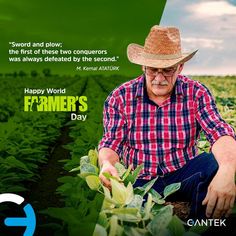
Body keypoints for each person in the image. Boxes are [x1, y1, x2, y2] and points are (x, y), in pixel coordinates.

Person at [98, 25, 236, 220]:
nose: (160, 78)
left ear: (180, 67)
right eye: (153, 70)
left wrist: (227, 172)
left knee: (213, 164)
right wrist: (106, 164)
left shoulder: (196, 93)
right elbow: (111, 143)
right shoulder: (120, 97)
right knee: (133, 215)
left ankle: (203, 226)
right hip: (140, 180)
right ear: (143, 67)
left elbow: (220, 132)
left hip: (183, 174)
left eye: (168, 70)